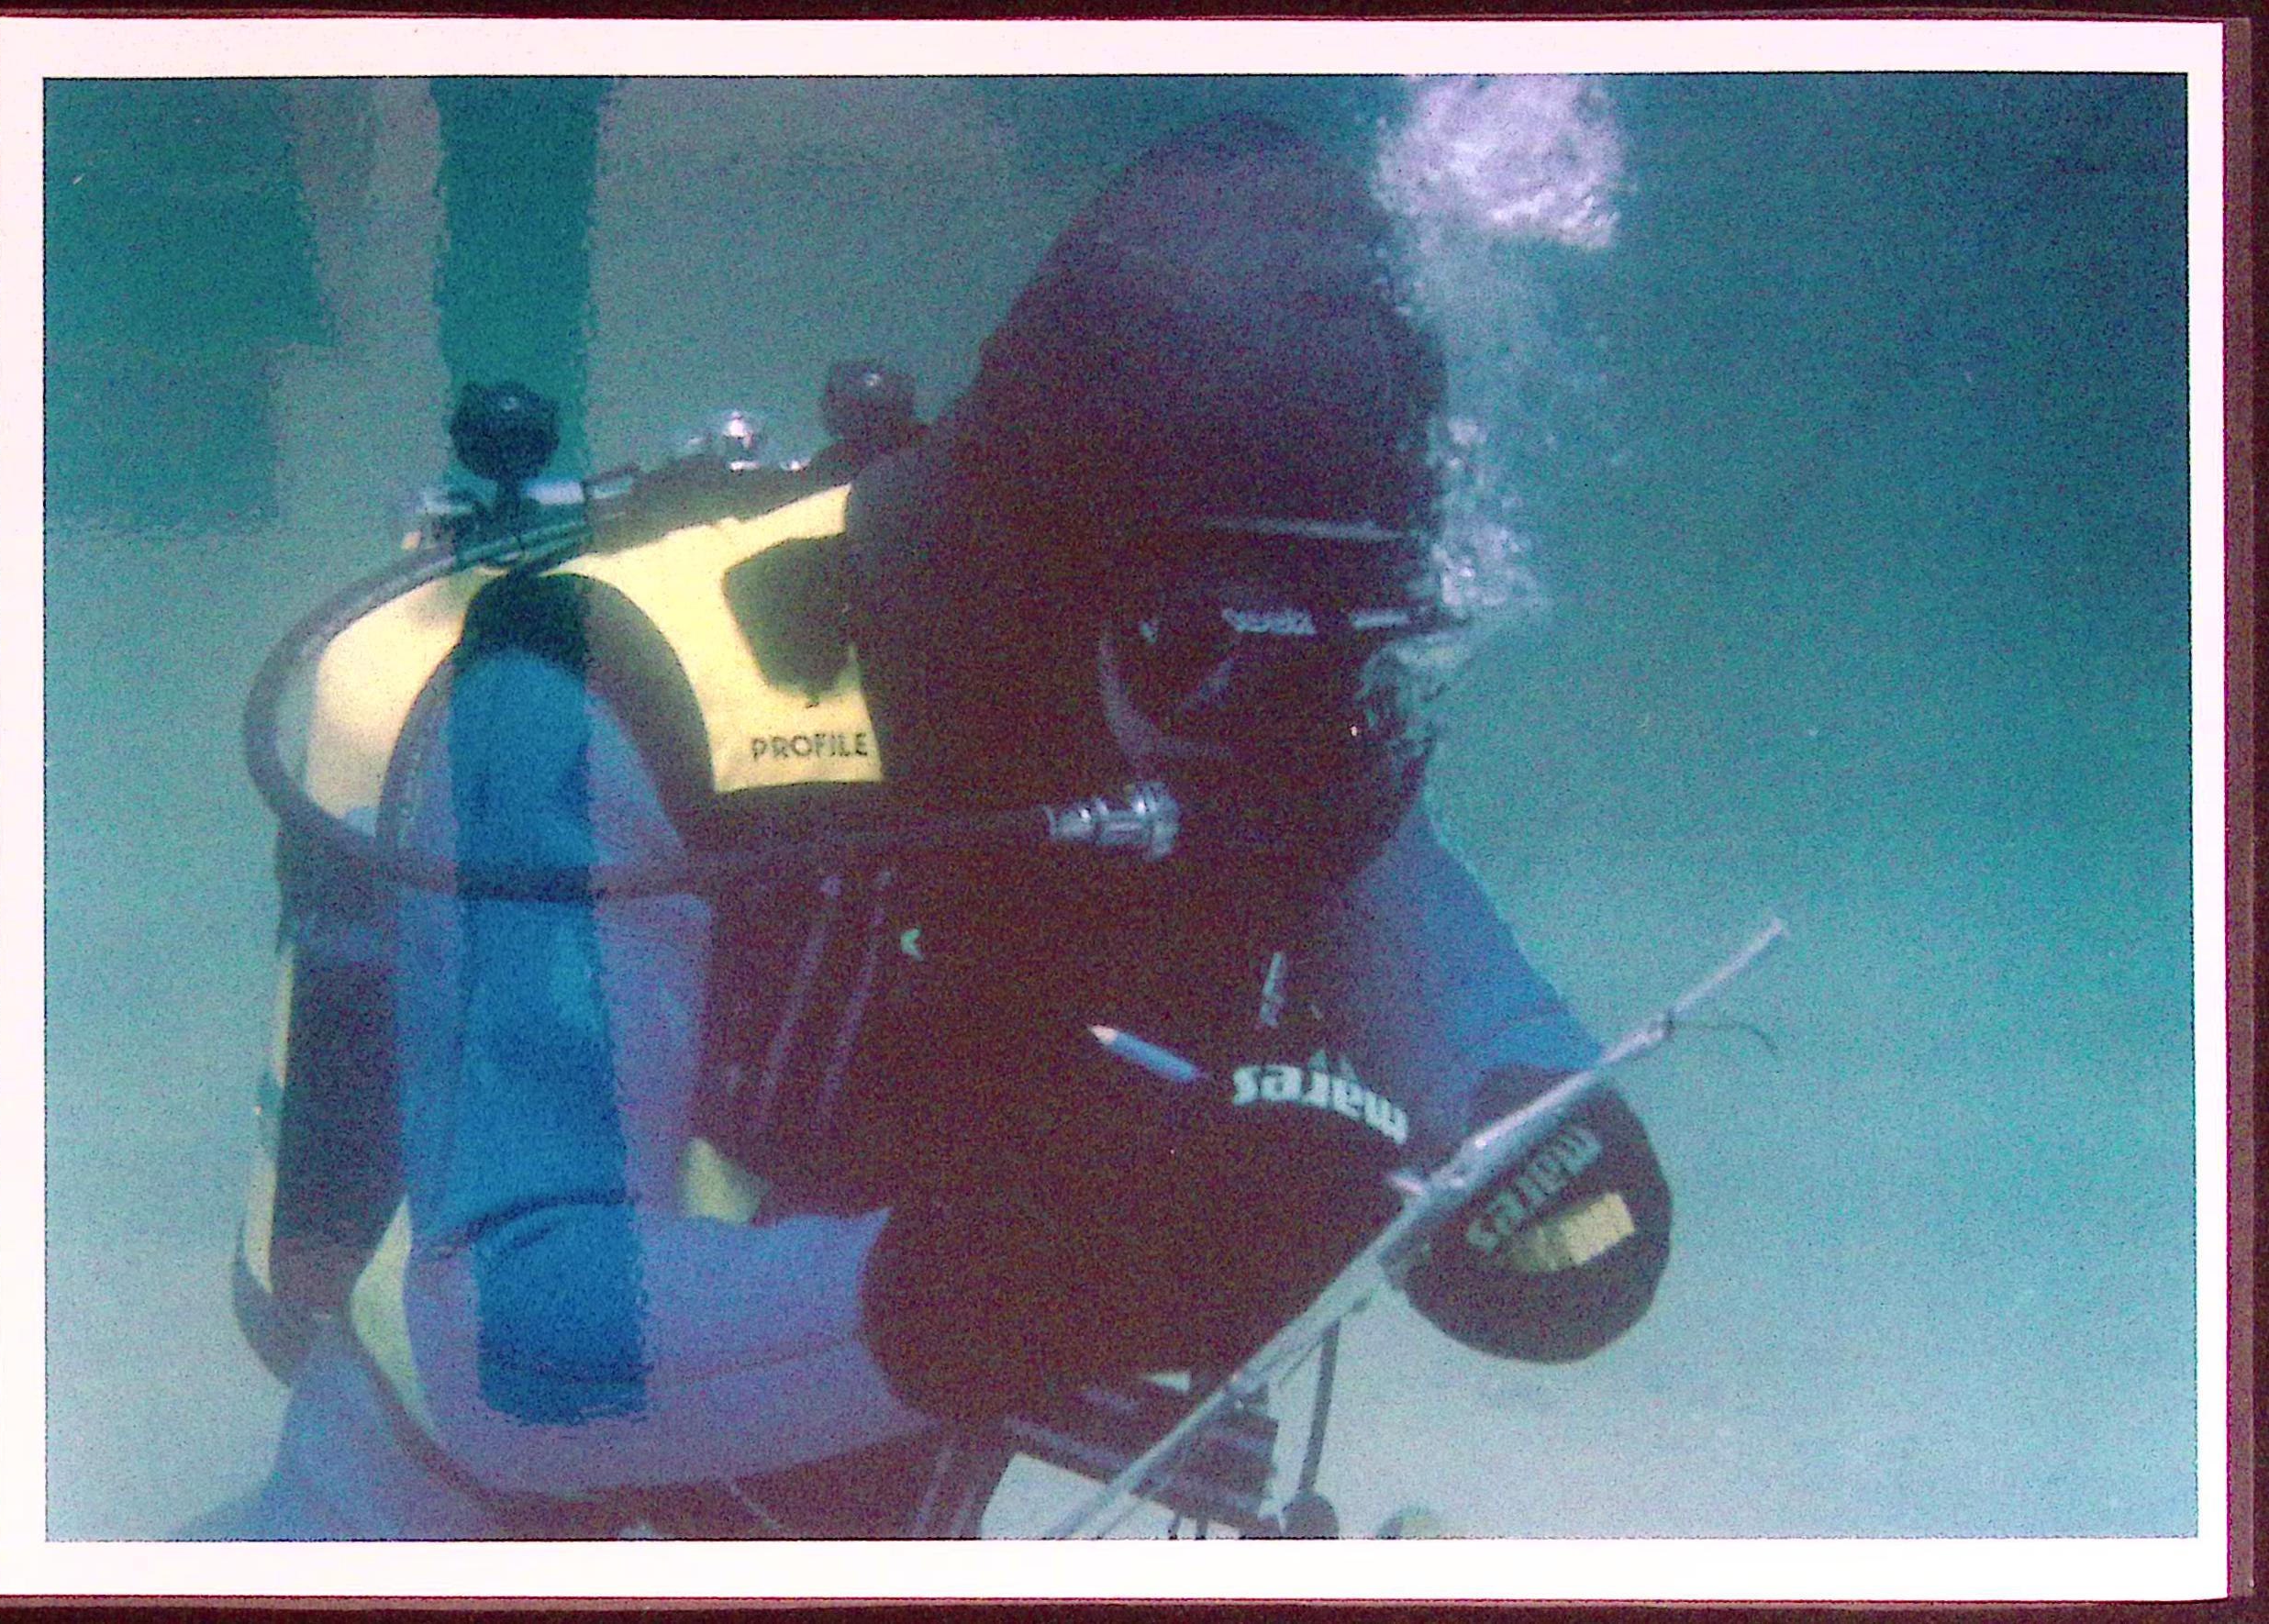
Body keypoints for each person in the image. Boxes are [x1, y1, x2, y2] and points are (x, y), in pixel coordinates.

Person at [191, 115, 1672, 1542]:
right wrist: (1074, 1275)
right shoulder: (586, 694)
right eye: (1224, 648)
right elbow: (513, 1342)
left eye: (1354, 660)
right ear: (1043, 569)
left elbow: (1480, 1034)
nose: (1287, 741)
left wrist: (1550, 1170)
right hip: (447, 1535)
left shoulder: (1254, 727)